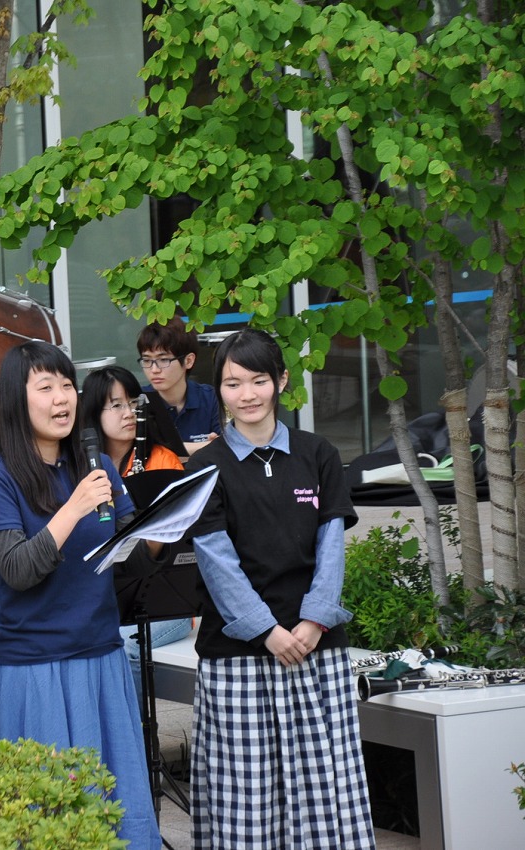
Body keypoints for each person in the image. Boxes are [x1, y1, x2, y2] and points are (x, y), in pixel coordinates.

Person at [185, 328, 373, 848]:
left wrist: (314, 621)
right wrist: (267, 631)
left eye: (258, 380)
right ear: (219, 390)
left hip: (316, 648)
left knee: (326, 789)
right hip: (239, 653)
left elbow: (331, 546)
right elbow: (216, 561)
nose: (246, 395)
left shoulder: (319, 453)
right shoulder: (203, 467)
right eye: (232, 384)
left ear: (282, 381)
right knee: (247, 797)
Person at [0, 341, 159, 850]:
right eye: (46, 387)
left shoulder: (97, 467)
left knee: (115, 813)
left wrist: (163, 531)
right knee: (47, 818)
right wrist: (73, 508)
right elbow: (16, 570)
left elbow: (130, 559)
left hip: (102, 659)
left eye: (67, 386)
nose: (62, 398)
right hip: (35, 669)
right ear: (17, 398)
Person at [80, 365, 192, 693]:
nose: (129, 413)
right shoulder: (82, 467)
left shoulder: (163, 461)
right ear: (93, 413)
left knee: (122, 645)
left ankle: (134, 725)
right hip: (105, 597)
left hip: (162, 602)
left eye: (133, 403)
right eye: (116, 405)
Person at [136, 317, 219, 455]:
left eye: (163, 360)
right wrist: (205, 446)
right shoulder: (138, 401)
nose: (154, 369)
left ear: (188, 361)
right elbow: (145, 452)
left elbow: (226, 448)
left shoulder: (211, 398)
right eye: (147, 360)